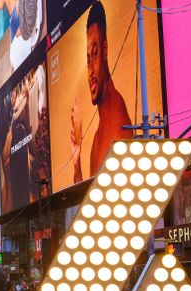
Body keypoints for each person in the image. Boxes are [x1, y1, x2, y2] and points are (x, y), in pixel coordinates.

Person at [70, 0, 132, 183]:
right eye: (88, 59)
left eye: (95, 54)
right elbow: (90, 202)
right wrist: (76, 158)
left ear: (105, 50)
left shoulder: (116, 115)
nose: (90, 72)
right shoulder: (99, 131)